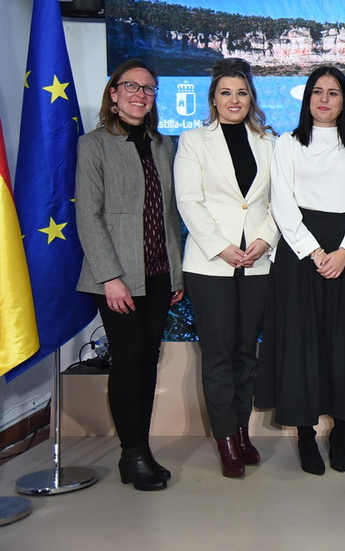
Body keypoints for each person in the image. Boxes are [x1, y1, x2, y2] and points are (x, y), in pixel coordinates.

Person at [255, 66, 345, 475]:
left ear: (344, 100)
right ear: (307, 99)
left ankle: (341, 433)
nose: (324, 99)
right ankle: (304, 434)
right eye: (318, 92)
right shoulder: (287, 144)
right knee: (302, 345)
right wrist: (315, 252)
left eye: (333, 93)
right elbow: (282, 204)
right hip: (301, 256)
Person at [76, 60, 184, 491]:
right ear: (114, 94)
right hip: (119, 277)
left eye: (149, 89)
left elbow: (170, 215)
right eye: (132, 87)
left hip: (158, 273)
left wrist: (176, 275)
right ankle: (132, 454)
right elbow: (89, 216)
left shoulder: (163, 145)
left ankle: (141, 449)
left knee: (147, 359)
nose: (141, 94)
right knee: (129, 360)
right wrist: (111, 277)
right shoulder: (94, 144)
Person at [174, 58, 278, 478]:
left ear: (251, 97)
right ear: (213, 99)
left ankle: (241, 429)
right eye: (225, 93)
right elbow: (188, 201)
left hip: (258, 261)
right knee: (218, 357)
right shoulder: (194, 140)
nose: (234, 100)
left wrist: (263, 240)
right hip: (210, 265)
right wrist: (221, 248)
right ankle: (226, 442)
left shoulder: (270, 141)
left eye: (241, 92)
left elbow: (280, 202)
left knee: (245, 355)